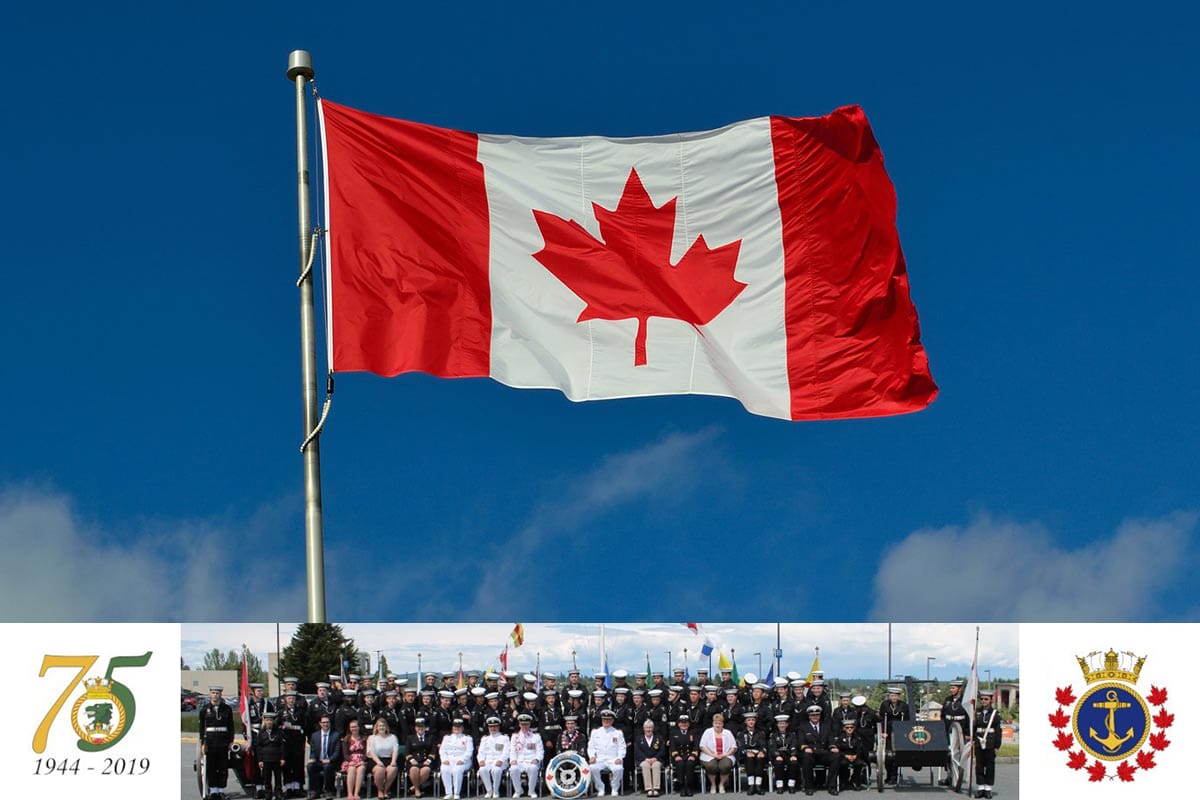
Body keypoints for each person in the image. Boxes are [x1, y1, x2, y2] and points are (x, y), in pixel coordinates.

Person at [200, 685, 235, 800]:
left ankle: (221, 790)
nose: (215, 695)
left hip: (223, 741)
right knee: (212, 767)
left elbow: (231, 726)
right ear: (210, 694)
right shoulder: (205, 709)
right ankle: (213, 791)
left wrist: (231, 741)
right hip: (210, 741)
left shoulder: (227, 709)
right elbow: (201, 728)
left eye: (217, 693)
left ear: (221, 695)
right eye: (213, 693)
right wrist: (203, 743)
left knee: (222, 767)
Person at [797, 705, 837, 796]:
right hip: (811, 753)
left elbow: (831, 739)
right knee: (806, 758)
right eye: (812, 715)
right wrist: (805, 747)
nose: (815, 717)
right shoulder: (803, 727)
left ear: (819, 716)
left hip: (823, 752)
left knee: (836, 756)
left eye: (817, 715)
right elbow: (800, 740)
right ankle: (809, 787)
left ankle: (832, 786)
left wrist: (832, 747)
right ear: (809, 716)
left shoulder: (825, 726)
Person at [588, 709, 627, 796]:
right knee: (592, 767)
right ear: (602, 720)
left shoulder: (618, 733)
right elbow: (591, 747)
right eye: (604, 719)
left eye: (608, 720)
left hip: (613, 759)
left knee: (618, 768)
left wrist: (619, 758)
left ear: (612, 721)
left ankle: (614, 787)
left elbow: (622, 747)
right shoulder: (595, 732)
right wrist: (592, 756)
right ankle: (600, 788)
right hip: (600, 759)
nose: (606, 721)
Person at [972, 691, 1001, 799]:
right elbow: (974, 727)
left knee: (989, 766)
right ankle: (980, 788)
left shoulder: (995, 714)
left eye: (986, 699)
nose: (983, 701)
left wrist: (997, 746)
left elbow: (998, 731)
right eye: (982, 699)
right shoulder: (977, 712)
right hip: (979, 741)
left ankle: (988, 788)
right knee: (979, 765)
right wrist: (973, 739)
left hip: (990, 741)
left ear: (991, 700)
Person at [877, 688, 909, 786]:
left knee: (896, 755)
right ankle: (889, 774)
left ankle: (894, 776)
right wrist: (882, 732)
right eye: (892, 695)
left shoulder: (903, 706)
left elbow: (907, 720)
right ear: (889, 696)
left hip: (899, 731)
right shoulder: (885, 704)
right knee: (887, 755)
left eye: (895, 695)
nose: (893, 697)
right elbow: (881, 718)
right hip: (888, 731)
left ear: (898, 696)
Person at [699, 713, 737, 794]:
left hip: (726, 755)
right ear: (713, 723)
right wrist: (713, 755)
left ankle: (721, 784)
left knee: (725, 765)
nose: (717, 725)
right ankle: (713, 785)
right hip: (709, 755)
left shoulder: (728, 732)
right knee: (711, 765)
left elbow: (734, 747)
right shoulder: (707, 732)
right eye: (716, 723)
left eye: (719, 723)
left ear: (722, 724)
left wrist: (725, 754)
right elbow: (702, 746)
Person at [253, 712, 287, 800]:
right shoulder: (261, 733)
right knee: (266, 777)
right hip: (266, 759)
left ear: (273, 721)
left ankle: (278, 792)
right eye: (267, 720)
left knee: (278, 777)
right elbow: (258, 747)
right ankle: (268, 792)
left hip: (277, 758)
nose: (269, 722)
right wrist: (260, 760)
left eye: (271, 720)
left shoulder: (279, 732)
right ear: (264, 721)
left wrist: (282, 758)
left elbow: (282, 746)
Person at [508, 713, 544, 798]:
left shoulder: (536, 737)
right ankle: (518, 790)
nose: (524, 726)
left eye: (526, 724)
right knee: (513, 768)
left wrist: (537, 759)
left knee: (533, 768)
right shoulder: (515, 737)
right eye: (522, 724)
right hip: (519, 761)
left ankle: (531, 791)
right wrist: (513, 760)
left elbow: (540, 752)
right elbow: (512, 751)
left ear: (529, 724)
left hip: (531, 761)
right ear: (519, 724)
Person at [307, 714, 341, 800]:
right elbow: (313, 751)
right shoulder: (315, 735)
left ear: (330, 723)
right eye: (324, 722)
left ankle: (328, 791)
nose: (326, 724)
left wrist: (329, 759)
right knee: (310, 766)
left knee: (327, 767)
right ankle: (314, 791)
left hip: (331, 761)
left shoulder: (335, 735)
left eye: (327, 722)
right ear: (320, 723)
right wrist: (312, 758)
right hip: (318, 761)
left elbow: (337, 752)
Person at [440, 717, 474, 800]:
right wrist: (444, 759)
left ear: (462, 728)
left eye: (459, 727)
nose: (456, 729)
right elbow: (442, 750)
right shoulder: (447, 738)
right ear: (452, 728)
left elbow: (469, 751)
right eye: (455, 727)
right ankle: (448, 793)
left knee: (457, 770)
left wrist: (462, 760)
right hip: (449, 759)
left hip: (463, 760)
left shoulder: (467, 738)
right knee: (444, 769)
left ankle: (456, 793)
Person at [367, 718, 401, 800]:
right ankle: (380, 790)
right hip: (375, 760)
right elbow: (371, 752)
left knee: (393, 769)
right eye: (379, 726)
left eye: (383, 725)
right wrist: (378, 762)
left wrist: (393, 761)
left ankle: (385, 790)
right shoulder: (372, 737)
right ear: (376, 727)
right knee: (380, 770)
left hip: (389, 759)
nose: (381, 727)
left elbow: (395, 750)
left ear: (386, 727)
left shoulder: (393, 737)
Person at [478, 716, 511, 799]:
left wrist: (501, 760)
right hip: (488, 761)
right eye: (491, 726)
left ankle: (496, 791)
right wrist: (481, 760)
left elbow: (506, 752)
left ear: (498, 727)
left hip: (501, 762)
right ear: (488, 727)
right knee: (482, 769)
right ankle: (489, 790)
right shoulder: (485, 739)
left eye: (495, 726)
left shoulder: (504, 738)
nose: (493, 728)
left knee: (496, 770)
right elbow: (480, 752)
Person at [735, 711, 767, 795]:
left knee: (760, 758)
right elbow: (740, 746)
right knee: (749, 758)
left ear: (755, 721)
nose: (751, 722)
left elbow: (764, 745)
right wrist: (746, 752)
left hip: (758, 754)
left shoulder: (760, 733)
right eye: (749, 720)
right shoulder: (741, 734)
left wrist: (762, 752)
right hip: (745, 755)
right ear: (745, 722)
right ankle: (751, 785)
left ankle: (758, 785)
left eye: (753, 720)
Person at [831, 718, 866, 792]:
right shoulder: (840, 738)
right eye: (847, 727)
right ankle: (843, 782)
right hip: (844, 756)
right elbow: (838, 749)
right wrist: (846, 756)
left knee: (859, 764)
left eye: (851, 727)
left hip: (855, 756)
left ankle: (854, 781)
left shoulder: (858, 737)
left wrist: (856, 755)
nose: (849, 729)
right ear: (844, 728)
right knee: (843, 764)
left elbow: (860, 748)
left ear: (854, 728)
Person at [634, 719, 667, 797]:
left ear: (653, 728)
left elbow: (662, 750)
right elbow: (637, 751)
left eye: (650, 727)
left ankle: (655, 788)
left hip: (656, 759)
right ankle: (649, 788)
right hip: (643, 760)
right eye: (647, 728)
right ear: (644, 729)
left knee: (656, 765)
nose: (648, 729)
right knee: (646, 765)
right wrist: (645, 759)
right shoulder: (639, 738)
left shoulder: (659, 738)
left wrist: (655, 758)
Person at [405, 717, 437, 798]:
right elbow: (407, 752)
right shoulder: (410, 738)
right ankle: (417, 789)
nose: (420, 729)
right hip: (414, 761)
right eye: (418, 727)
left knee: (425, 770)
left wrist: (428, 761)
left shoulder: (431, 737)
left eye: (422, 727)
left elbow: (433, 751)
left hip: (426, 761)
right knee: (414, 769)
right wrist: (412, 760)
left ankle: (414, 787)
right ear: (415, 728)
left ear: (425, 728)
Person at [669, 715, 700, 797]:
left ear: (689, 724)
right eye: (682, 723)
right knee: (680, 764)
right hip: (678, 756)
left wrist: (693, 755)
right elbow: (672, 747)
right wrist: (676, 756)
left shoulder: (693, 733)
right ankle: (682, 786)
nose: (684, 724)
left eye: (685, 723)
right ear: (678, 724)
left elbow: (696, 746)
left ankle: (689, 787)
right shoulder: (674, 733)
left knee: (689, 764)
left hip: (690, 756)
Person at [767, 715, 798, 794]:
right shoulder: (773, 735)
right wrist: (777, 755)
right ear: (777, 725)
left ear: (787, 725)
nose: (782, 725)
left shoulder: (792, 735)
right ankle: (779, 785)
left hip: (788, 755)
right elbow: (772, 747)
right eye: (780, 724)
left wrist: (793, 755)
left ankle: (791, 785)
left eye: (783, 723)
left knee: (794, 763)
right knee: (778, 763)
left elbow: (794, 745)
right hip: (777, 756)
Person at [341, 719, 368, 800]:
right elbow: (345, 754)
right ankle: (350, 794)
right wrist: (351, 761)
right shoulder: (346, 739)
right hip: (350, 761)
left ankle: (356, 793)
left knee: (361, 769)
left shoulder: (364, 739)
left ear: (359, 727)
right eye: (352, 727)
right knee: (352, 769)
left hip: (361, 760)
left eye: (355, 726)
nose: (354, 729)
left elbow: (366, 752)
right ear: (349, 728)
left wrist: (362, 760)